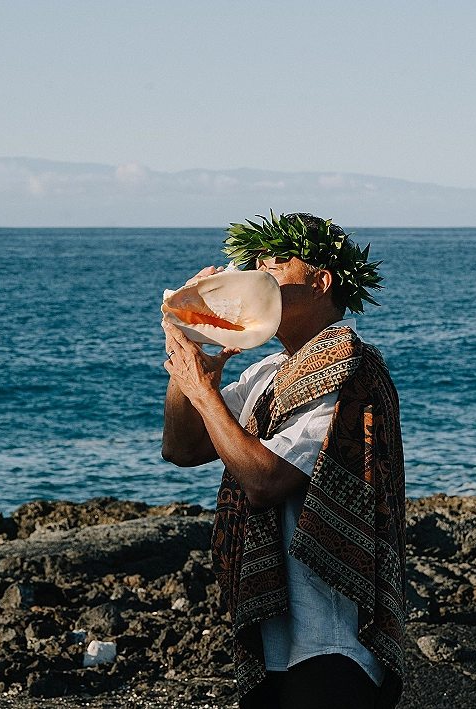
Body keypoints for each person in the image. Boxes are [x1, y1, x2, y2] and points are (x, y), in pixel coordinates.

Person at [162, 212, 405, 709]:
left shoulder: (348, 369)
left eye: (276, 265)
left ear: (321, 280)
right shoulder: (270, 371)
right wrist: (189, 344)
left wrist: (204, 391)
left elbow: (264, 480)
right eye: (256, 265)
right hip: (277, 629)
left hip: (334, 638)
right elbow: (182, 449)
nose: (259, 276)